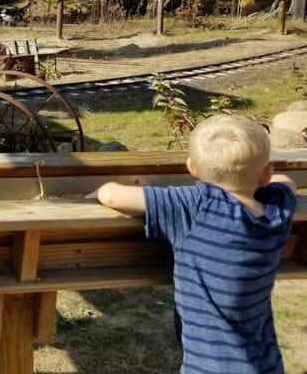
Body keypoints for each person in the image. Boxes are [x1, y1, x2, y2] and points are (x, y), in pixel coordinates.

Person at [96, 114, 298, 374]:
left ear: (192, 168)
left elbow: (111, 195)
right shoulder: (278, 208)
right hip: (265, 363)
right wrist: (264, 177)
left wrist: (106, 186)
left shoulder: (196, 206)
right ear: (265, 174)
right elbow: (286, 182)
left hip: (209, 366)